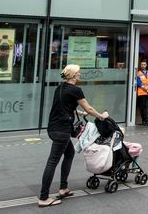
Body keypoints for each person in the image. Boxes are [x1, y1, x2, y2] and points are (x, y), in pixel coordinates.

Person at [39, 64, 108, 208]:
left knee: (69, 153)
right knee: (52, 162)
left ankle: (63, 188)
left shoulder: (60, 88)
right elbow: (88, 107)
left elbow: (63, 106)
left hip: (53, 127)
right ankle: (43, 197)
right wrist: (101, 116)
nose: (80, 74)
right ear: (74, 75)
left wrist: (81, 114)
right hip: (62, 130)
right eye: (79, 72)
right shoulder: (76, 90)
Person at [136, 60, 148, 126]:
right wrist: (144, 87)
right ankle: (144, 120)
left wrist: (147, 87)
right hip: (142, 93)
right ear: (140, 65)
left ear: (146, 65)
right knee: (143, 107)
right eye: (142, 64)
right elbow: (138, 82)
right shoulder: (138, 73)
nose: (143, 66)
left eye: (144, 64)